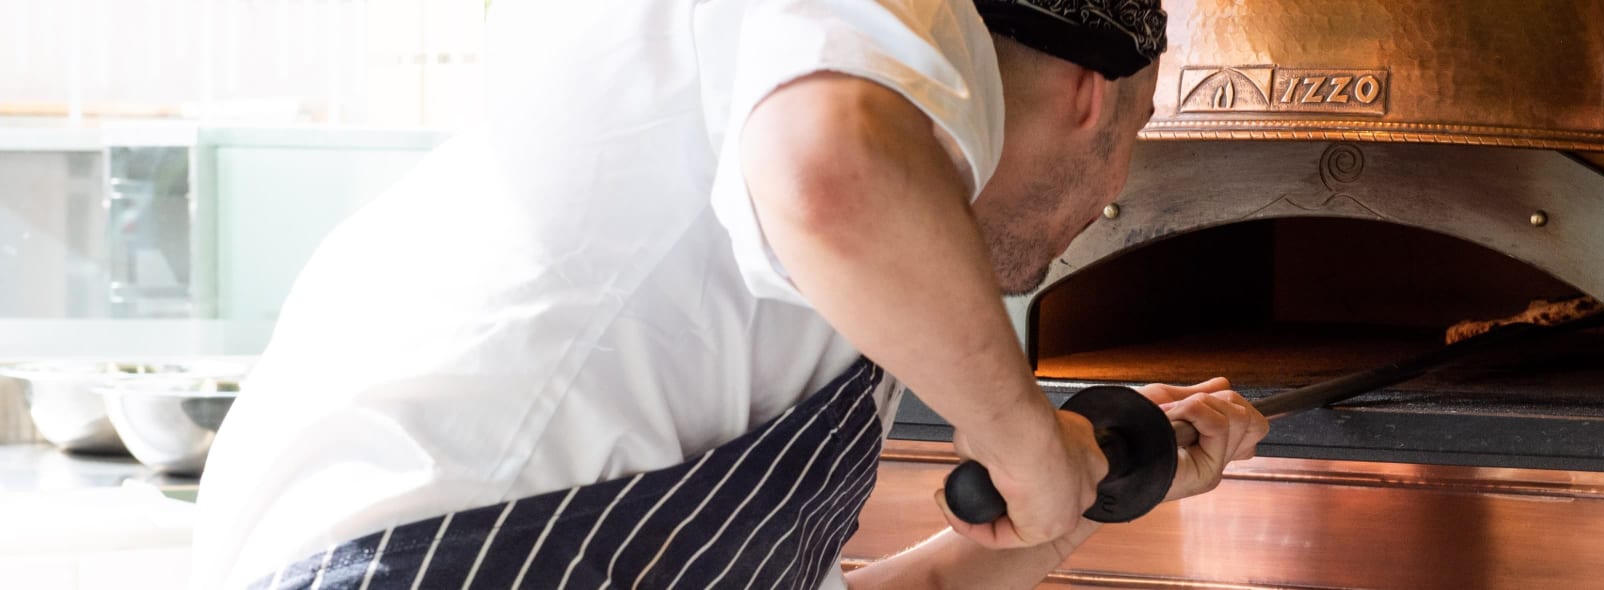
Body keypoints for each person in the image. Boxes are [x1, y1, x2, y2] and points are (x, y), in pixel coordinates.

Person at [190, 0, 1269, 587]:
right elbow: (831, 171)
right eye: (1132, 146)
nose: (1116, 196)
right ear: (1092, 99)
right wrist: (1026, 442)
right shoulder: (906, 32)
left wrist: (1068, 510)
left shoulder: (808, 301)